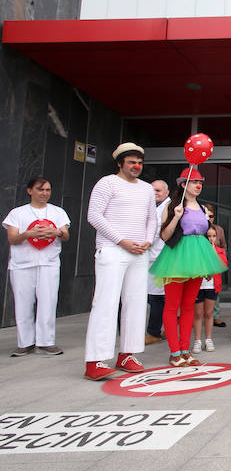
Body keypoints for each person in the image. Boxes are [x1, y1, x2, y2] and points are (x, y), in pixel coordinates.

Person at [84, 142, 157, 380]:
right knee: (105, 303)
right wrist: (121, 240)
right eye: (131, 162)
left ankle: (127, 354)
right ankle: (95, 361)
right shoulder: (107, 183)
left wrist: (147, 240)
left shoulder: (146, 188)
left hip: (139, 252)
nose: (136, 166)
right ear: (119, 163)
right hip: (112, 250)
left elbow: (151, 219)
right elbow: (94, 215)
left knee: (135, 304)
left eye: (139, 162)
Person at [150, 168, 227, 367]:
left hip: (197, 259)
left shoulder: (202, 208)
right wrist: (176, 216)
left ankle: (185, 350)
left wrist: (208, 264)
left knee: (188, 306)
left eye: (200, 181)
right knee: (172, 305)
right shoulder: (173, 205)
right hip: (176, 258)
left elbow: (204, 237)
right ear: (183, 184)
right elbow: (165, 236)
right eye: (193, 182)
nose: (198, 185)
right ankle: (174, 352)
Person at [3, 176, 71, 357]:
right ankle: (25, 342)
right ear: (30, 191)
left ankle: (46, 341)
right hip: (22, 264)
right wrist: (28, 234)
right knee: (23, 303)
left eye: (47, 190)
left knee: (48, 301)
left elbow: (65, 235)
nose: (44, 193)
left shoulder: (57, 212)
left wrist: (55, 232)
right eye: (40, 189)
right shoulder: (17, 213)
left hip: (49, 262)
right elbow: (12, 238)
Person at [192, 227, 227, 354]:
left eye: (213, 236)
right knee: (198, 314)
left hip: (212, 286)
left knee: (209, 313)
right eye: (208, 236)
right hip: (198, 285)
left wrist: (213, 253)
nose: (211, 239)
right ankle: (197, 340)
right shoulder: (197, 251)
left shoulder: (219, 251)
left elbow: (222, 266)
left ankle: (208, 339)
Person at [145, 180, 169, 345]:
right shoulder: (153, 206)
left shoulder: (166, 208)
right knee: (155, 297)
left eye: (158, 190)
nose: (155, 193)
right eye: (152, 190)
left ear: (166, 192)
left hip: (161, 257)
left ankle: (154, 331)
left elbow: (156, 233)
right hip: (151, 257)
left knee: (157, 298)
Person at [203, 203, 228, 329]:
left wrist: (219, 254)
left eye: (211, 216)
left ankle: (215, 316)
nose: (209, 218)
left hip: (216, 261)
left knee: (215, 290)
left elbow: (223, 245)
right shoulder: (200, 229)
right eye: (206, 215)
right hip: (202, 264)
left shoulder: (219, 229)